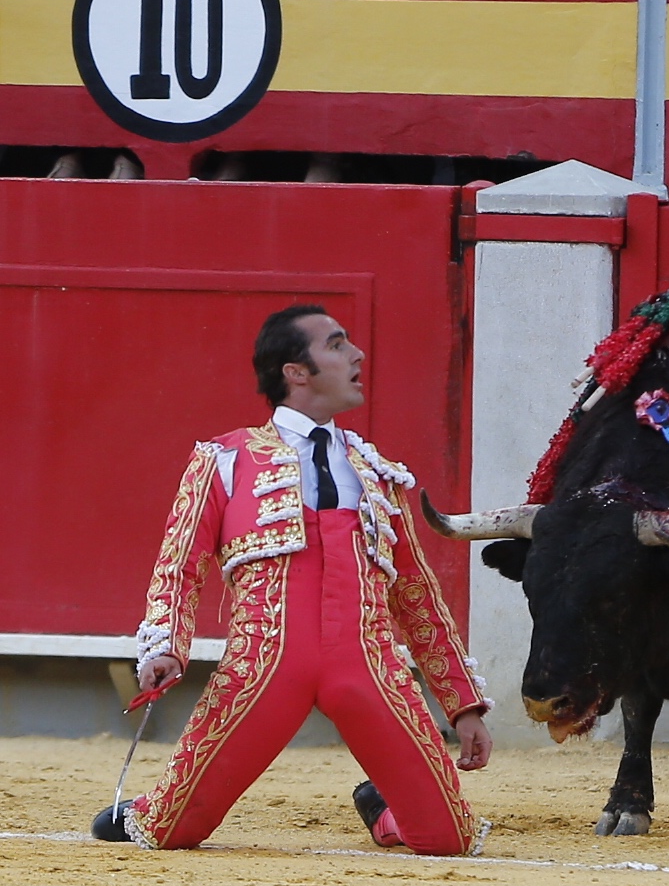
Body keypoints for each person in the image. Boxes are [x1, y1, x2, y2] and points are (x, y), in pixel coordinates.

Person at [91, 304, 493, 855]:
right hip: (263, 666)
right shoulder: (225, 459)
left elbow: (416, 595)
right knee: (169, 832)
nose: (357, 354)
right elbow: (180, 565)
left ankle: (384, 810)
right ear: (296, 372)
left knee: (449, 839)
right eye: (337, 345)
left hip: (369, 664)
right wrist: (167, 647)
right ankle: (153, 805)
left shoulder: (377, 473)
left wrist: (462, 704)